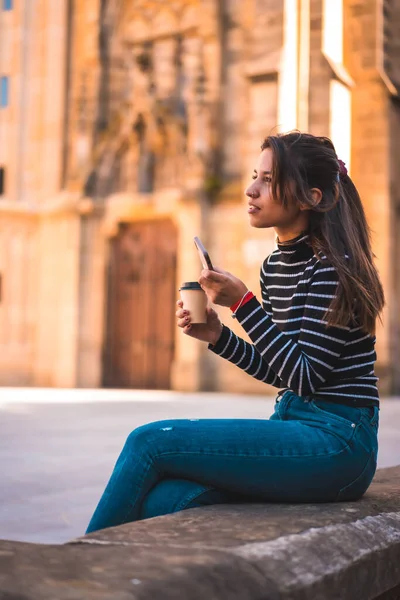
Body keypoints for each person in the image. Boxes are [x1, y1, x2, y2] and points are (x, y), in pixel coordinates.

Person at [85, 132, 384, 534]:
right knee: (167, 499)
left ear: (311, 197)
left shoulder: (332, 269)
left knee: (149, 441)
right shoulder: (275, 267)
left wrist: (243, 304)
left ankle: (78, 569)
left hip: (339, 442)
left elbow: (306, 377)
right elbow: (283, 372)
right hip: (294, 425)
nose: (250, 189)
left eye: (267, 180)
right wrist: (218, 337)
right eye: (253, 176)